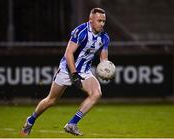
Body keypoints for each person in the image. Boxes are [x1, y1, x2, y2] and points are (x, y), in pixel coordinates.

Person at [21, 7, 110, 136]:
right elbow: (69, 54)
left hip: (84, 71)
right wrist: (73, 74)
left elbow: (104, 59)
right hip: (67, 69)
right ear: (91, 20)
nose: (102, 24)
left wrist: (106, 70)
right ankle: (31, 120)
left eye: (104, 21)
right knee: (51, 100)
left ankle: (72, 124)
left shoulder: (105, 37)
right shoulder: (80, 32)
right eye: (99, 20)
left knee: (96, 93)